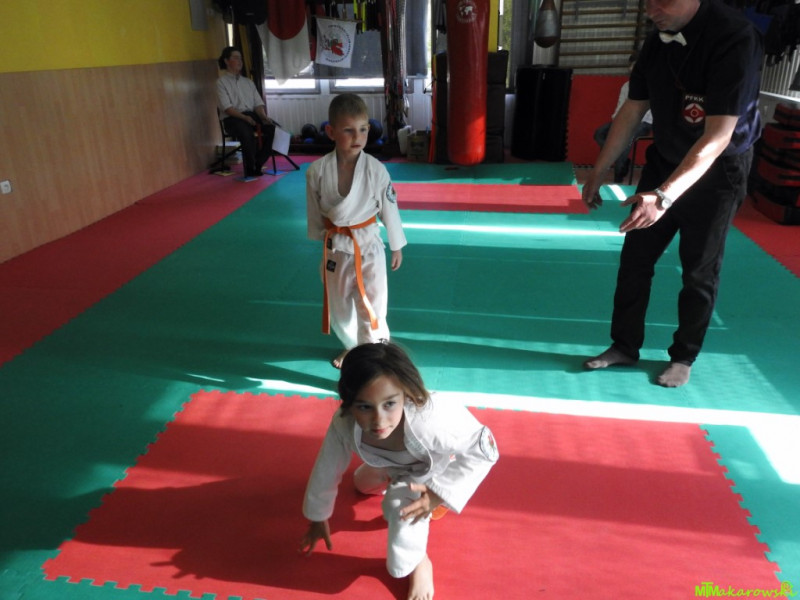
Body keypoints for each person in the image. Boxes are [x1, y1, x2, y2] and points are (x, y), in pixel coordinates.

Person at [580, 0, 763, 387]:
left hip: (719, 170)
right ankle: (624, 346)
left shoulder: (735, 38)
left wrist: (663, 197)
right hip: (665, 159)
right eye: (648, 1)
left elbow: (718, 136)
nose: (652, 9)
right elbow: (633, 110)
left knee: (698, 270)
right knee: (635, 260)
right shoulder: (656, 41)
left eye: (662, 0)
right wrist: (599, 170)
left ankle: (683, 356)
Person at [299, 342, 499, 600]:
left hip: (424, 474)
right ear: (349, 403)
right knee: (360, 484)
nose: (378, 420)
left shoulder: (432, 419)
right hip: (386, 465)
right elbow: (326, 467)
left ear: (406, 394)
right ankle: (391, 481)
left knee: (398, 512)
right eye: (364, 407)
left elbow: (484, 449)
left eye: (389, 404)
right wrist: (318, 516)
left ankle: (420, 562)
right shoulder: (344, 423)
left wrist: (437, 494)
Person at [306, 93, 407, 369]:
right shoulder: (317, 171)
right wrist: (320, 237)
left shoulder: (376, 169)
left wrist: (396, 244)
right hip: (336, 248)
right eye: (348, 130)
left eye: (363, 129)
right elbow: (315, 212)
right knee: (340, 309)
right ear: (331, 132)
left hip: (368, 246)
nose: (357, 137)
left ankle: (374, 351)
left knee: (373, 304)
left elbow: (389, 206)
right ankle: (352, 347)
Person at [216, 46, 275, 180]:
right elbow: (227, 108)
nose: (240, 61)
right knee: (246, 132)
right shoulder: (221, 83)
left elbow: (258, 104)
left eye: (240, 58)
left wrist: (263, 117)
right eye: (236, 58)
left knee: (272, 129)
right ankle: (250, 168)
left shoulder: (248, 82)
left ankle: (258, 162)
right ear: (226, 61)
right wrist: (245, 118)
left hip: (250, 115)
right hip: (233, 118)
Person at [593, 55, 654, 183]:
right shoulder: (626, 86)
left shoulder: (651, 85)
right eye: (631, 65)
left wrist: (629, 124)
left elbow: (648, 111)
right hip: (625, 120)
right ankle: (621, 160)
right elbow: (620, 106)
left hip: (644, 122)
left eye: (635, 65)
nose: (632, 68)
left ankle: (618, 176)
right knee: (599, 133)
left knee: (626, 139)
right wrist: (616, 122)